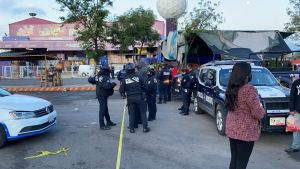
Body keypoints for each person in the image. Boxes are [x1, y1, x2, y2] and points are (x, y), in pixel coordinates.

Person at [225, 62, 265, 169]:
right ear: (247, 74)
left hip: (232, 129)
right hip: (245, 132)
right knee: (242, 163)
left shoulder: (230, 87)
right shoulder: (249, 90)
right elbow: (257, 113)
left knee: (234, 159)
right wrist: (262, 108)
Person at [119, 63, 150, 133]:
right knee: (143, 113)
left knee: (131, 113)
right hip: (139, 97)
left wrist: (123, 94)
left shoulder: (125, 79)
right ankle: (145, 128)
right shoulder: (139, 77)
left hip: (130, 98)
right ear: (134, 69)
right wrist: (143, 92)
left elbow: (121, 90)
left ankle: (132, 128)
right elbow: (145, 86)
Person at [88, 65, 117, 130]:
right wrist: (113, 84)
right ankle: (102, 125)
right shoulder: (105, 77)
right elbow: (107, 86)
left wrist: (94, 77)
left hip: (100, 95)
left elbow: (90, 79)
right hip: (103, 95)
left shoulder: (98, 76)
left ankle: (108, 121)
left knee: (105, 108)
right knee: (102, 109)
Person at [285, 74, 300, 153]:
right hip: (297, 111)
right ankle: (295, 147)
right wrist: (292, 108)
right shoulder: (296, 83)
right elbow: (292, 96)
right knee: (296, 129)